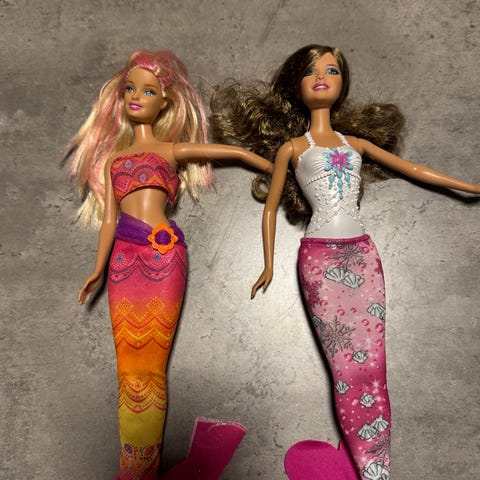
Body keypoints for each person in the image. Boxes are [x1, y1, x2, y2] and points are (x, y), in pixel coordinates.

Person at [211, 44, 480, 480]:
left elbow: (412, 168)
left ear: (342, 82)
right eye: (311, 71)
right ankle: (368, 466)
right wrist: (268, 264)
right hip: (320, 260)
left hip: (364, 256)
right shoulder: (292, 149)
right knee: (346, 368)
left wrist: (470, 185)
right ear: (296, 85)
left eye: (332, 70)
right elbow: (270, 208)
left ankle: (375, 468)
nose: (322, 77)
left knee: (373, 364)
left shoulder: (356, 144)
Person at [68, 49, 272, 480]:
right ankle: (135, 468)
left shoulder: (171, 150)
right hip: (123, 258)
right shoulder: (116, 162)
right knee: (128, 367)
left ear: (166, 102)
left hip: (163, 256)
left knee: (152, 367)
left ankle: (142, 468)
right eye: (130, 89)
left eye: (148, 91)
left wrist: (265, 162)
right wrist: (98, 269)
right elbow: (109, 220)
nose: (136, 97)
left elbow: (225, 152)